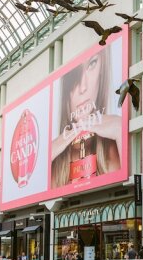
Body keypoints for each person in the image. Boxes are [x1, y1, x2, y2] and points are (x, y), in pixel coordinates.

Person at [50, 47, 122, 188]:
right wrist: (45, 159)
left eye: (92, 64)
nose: (83, 87)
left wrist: (121, 130)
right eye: (74, 77)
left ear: (102, 69)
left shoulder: (115, 149)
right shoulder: (54, 165)